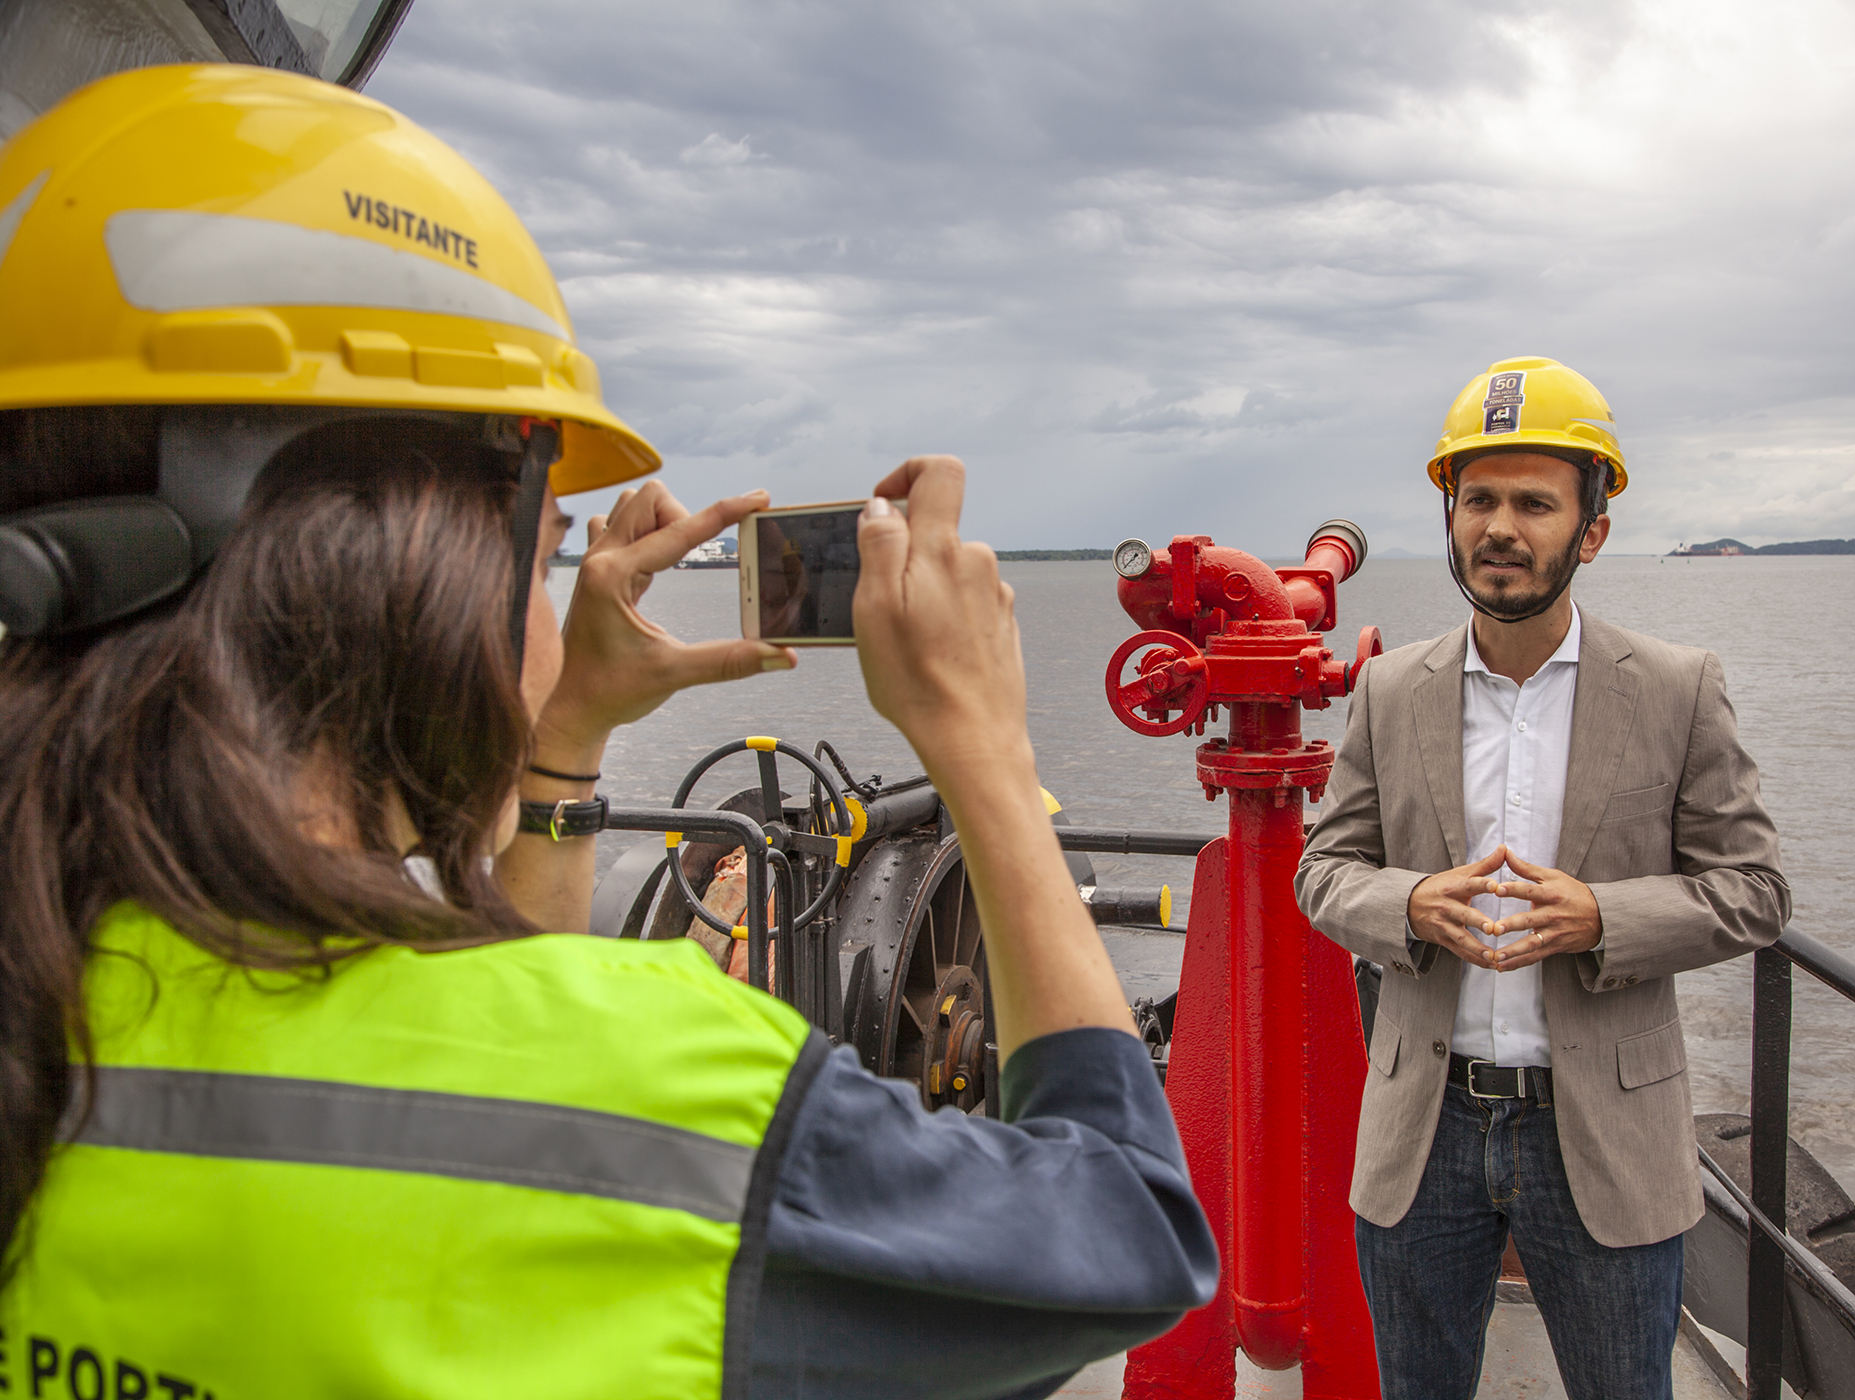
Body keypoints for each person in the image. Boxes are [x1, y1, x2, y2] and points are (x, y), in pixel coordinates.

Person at [0, 67, 1213, 1399]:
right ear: (408, 559)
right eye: (542, 550)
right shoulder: (658, 1087)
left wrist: (567, 730)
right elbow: (1124, 1229)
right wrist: (986, 749)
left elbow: (449, 1072)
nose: (549, 608)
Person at [1295, 357, 1789, 1399]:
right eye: (1477, 498)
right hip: (1425, 1132)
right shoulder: (1390, 691)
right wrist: (1410, 904)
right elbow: (1324, 871)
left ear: (1591, 529)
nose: (1499, 527)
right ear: (1450, 513)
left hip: (1602, 1134)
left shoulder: (1674, 688)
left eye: (1533, 501)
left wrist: (1605, 914)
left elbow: (1752, 888)